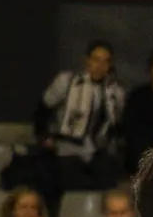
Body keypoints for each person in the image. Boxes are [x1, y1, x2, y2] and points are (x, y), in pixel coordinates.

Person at [37, 40, 126, 205]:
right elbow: (43, 110)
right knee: (69, 176)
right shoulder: (67, 82)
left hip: (98, 149)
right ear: (87, 61)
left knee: (108, 173)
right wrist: (44, 137)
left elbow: (117, 124)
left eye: (105, 61)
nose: (100, 65)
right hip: (67, 146)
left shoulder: (115, 92)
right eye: (96, 59)